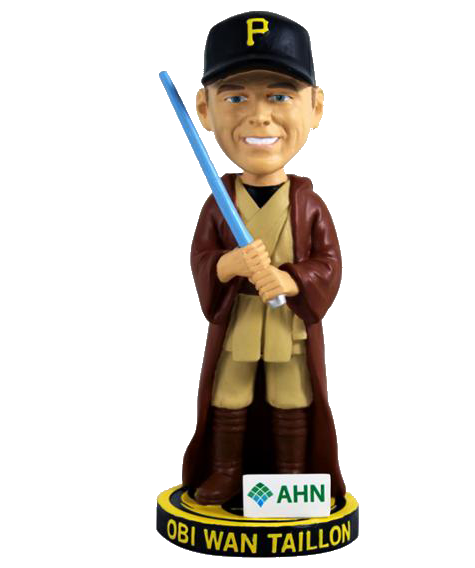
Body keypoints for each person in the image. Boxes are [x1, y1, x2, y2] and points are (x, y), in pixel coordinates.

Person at [182, 11, 346, 505]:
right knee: (228, 395)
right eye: (236, 98)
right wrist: (228, 266)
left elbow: (329, 263)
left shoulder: (307, 204)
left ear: (315, 107)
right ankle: (225, 473)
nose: (259, 117)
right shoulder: (220, 203)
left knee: (291, 396)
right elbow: (202, 257)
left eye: (279, 96)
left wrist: (292, 280)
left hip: (285, 326)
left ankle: (289, 478)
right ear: (205, 110)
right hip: (239, 323)